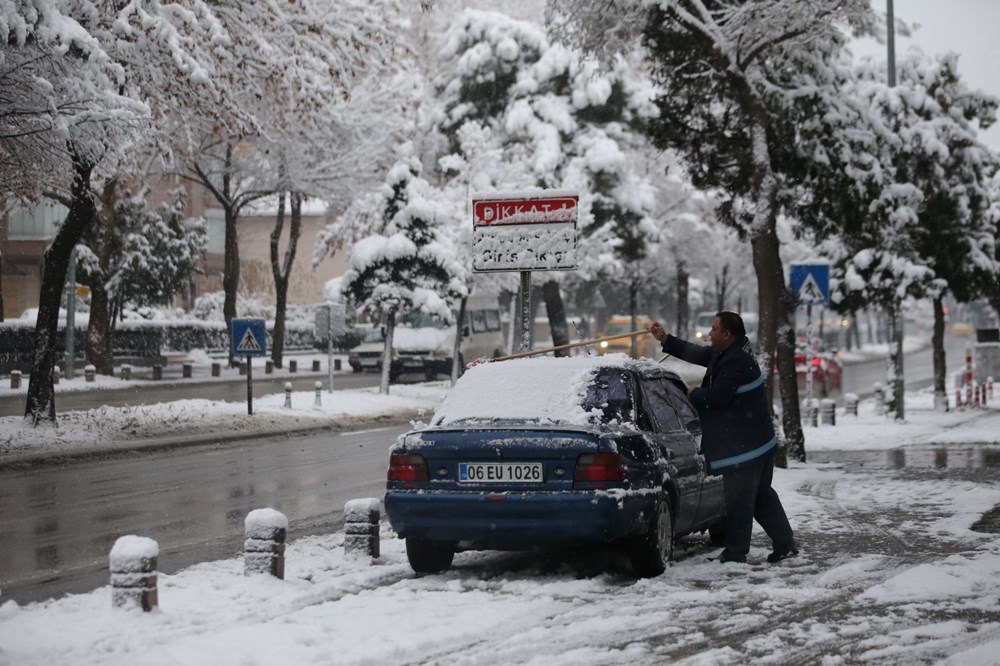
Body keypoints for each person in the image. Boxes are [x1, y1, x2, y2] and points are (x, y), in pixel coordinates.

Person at [649, 313, 797, 564]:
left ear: (727, 334)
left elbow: (717, 397)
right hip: (758, 443)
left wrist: (693, 393)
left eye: (714, 329)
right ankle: (785, 544)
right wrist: (667, 340)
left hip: (746, 448)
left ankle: (736, 553)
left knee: (740, 501)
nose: (709, 333)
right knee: (762, 496)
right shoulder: (730, 352)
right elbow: (700, 354)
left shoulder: (735, 362)